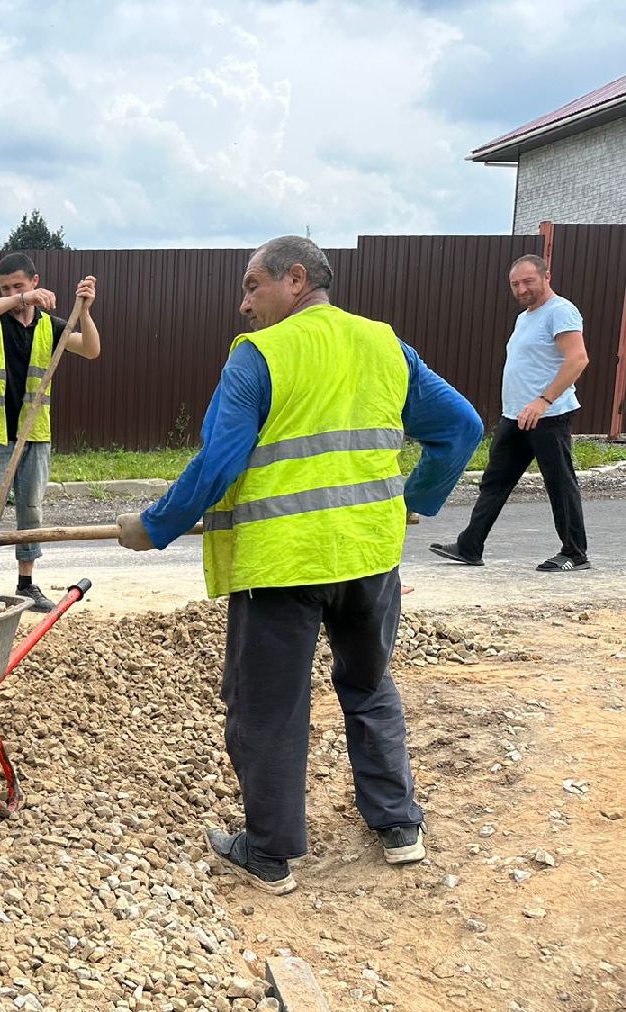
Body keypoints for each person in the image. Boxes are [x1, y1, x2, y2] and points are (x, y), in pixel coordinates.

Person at [114, 236, 482, 895]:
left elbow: (219, 463)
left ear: (296, 278)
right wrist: (415, 500)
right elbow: (461, 427)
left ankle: (269, 853)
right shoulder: (385, 346)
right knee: (370, 687)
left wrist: (156, 525)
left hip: (283, 567)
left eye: (252, 286)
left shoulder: (260, 357)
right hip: (369, 558)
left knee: (268, 708)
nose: (243, 303)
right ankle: (399, 827)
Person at [429, 254, 591, 572]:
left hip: (549, 415)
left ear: (547, 277)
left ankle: (575, 552)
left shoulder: (560, 311)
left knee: (559, 483)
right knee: (494, 481)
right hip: (516, 415)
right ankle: (470, 546)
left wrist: (544, 400)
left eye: (528, 281)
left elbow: (578, 359)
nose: (521, 288)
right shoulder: (526, 317)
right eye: (515, 284)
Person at [0, 253, 99, 611]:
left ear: (35, 281)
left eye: (18, 286)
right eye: (5, 288)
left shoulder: (49, 326)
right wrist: (19, 300)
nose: (12, 292)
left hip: (34, 432)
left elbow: (90, 349)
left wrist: (83, 310)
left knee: (30, 509)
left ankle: (26, 584)